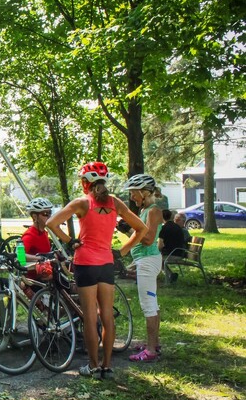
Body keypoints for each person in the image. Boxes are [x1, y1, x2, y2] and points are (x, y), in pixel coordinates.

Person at [47, 162, 146, 379]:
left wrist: (70, 241)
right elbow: (142, 228)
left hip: (85, 263)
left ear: (85, 183)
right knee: (107, 316)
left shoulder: (82, 203)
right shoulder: (115, 203)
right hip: (106, 264)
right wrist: (124, 250)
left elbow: (51, 223)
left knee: (90, 318)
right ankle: (107, 366)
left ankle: (92, 366)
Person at [124, 174, 164, 363]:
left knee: (148, 306)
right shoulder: (145, 210)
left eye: (134, 193)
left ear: (145, 192)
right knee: (152, 305)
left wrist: (128, 230)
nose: (132, 197)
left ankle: (150, 350)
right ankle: (154, 343)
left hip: (148, 261)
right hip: (145, 260)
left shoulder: (154, 211)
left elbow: (148, 239)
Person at [159, 209, 188, 283]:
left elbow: (160, 245)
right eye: (175, 219)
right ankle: (171, 275)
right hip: (178, 252)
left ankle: (168, 278)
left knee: (155, 258)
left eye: (178, 220)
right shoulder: (177, 228)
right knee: (157, 258)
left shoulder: (165, 228)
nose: (176, 221)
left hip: (175, 253)